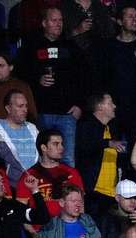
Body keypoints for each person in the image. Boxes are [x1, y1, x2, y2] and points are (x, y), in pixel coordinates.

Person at [17, 7, 85, 166]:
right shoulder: (30, 47)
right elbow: (19, 75)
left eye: (60, 20)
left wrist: (80, 105)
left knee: (67, 159)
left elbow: (85, 78)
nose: (58, 24)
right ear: (44, 23)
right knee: (40, 159)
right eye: (54, 20)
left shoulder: (72, 47)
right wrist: (37, 80)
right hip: (41, 113)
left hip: (67, 114)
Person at [99, 5, 136, 135]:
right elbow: (102, 77)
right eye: (130, 16)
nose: (135, 20)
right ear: (119, 21)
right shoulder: (108, 47)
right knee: (114, 150)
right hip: (115, 110)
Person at [16, 129, 84, 221]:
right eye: (56, 144)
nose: (61, 148)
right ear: (44, 148)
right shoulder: (29, 176)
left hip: (66, 228)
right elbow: (21, 212)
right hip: (40, 229)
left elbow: (80, 207)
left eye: (61, 144)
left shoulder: (72, 173)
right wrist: (33, 233)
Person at [75, 93, 125, 218]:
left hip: (111, 193)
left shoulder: (112, 128)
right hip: (93, 193)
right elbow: (85, 146)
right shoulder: (86, 125)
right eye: (110, 103)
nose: (114, 106)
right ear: (100, 107)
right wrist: (108, 143)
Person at [38, 184, 102, 238]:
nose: (78, 204)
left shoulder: (88, 222)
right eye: (73, 201)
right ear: (61, 203)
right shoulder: (50, 227)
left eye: (80, 201)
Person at [0, 90, 39, 187]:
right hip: (11, 186)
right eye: (20, 106)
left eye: (26, 106)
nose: (25, 110)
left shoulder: (32, 128)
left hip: (36, 183)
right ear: (8, 108)